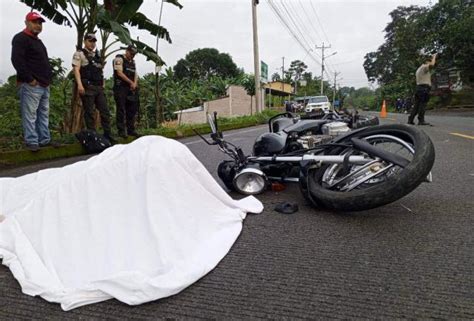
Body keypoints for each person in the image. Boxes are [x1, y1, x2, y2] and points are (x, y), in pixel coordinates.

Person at [11, 12, 53, 152]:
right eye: (35, 22)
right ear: (27, 23)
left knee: (43, 114)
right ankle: (32, 141)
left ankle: (44, 140)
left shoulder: (37, 41)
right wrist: (30, 79)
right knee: (30, 114)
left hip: (44, 85)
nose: (38, 25)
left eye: (40, 23)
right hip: (31, 85)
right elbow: (17, 60)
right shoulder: (20, 38)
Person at [72, 33, 115, 142]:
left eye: (94, 41)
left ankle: (108, 134)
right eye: (90, 41)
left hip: (98, 87)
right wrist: (80, 85)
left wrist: (103, 83)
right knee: (89, 112)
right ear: (85, 41)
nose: (92, 43)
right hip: (87, 87)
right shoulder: (79, 54)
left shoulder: (97, 55)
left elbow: (100, 71)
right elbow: (76, 70)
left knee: (104, 111)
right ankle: (93, 136)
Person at [113, 45, 140, 138]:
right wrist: (131, 82)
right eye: (131, 54)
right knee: (121, 109)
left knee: (131, 110)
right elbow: (119, 73)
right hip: (121, 88)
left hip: (130, 89)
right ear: (127, 51)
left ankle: (131, 130)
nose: (132, 56)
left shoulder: (132, 62)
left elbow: (135, 73)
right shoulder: (119, 59)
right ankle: (121, 131)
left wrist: (134, 84)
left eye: (134, 54)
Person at [408, 53, 437, 126]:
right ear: (427, 62)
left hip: (419, 88)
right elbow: (432, 65)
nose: (431, 62)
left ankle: (410, 119)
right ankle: (421, 120)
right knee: (423, 105)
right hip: (424, 89)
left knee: (416, 105)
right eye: (430, 61)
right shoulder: (424, 67)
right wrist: (434, 57)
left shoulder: (418, 69)